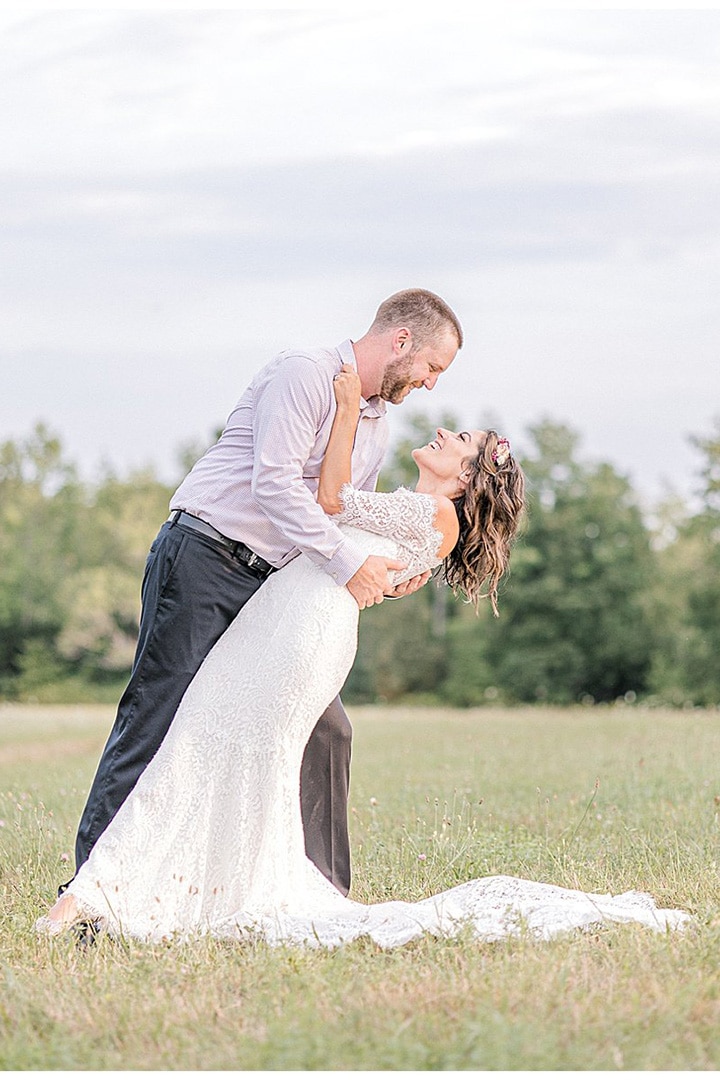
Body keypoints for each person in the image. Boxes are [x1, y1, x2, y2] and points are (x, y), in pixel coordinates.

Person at [38, 371, 689, 946]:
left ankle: (101, 898)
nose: (441, 431)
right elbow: (344, 522)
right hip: (285, 622)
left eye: (457, 439)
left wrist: (347, 410)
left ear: (465, 477)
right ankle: (147, 891)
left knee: (202, 743)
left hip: (297, 635)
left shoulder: (433, 513)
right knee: (212, 748)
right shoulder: (421, 510)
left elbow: (327, 503)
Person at [66, 289, 463, 900]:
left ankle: (321, 894)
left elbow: (340, 512)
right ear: (402, 341)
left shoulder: (377, 423)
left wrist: (390, 569)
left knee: (326, 730)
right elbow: (275, 485)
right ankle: (91, 892)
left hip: (271, 587)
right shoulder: (303, 373)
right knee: (158, 714)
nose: (432, 384)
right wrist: (348, 561)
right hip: (205, 558)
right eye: (433, 367)